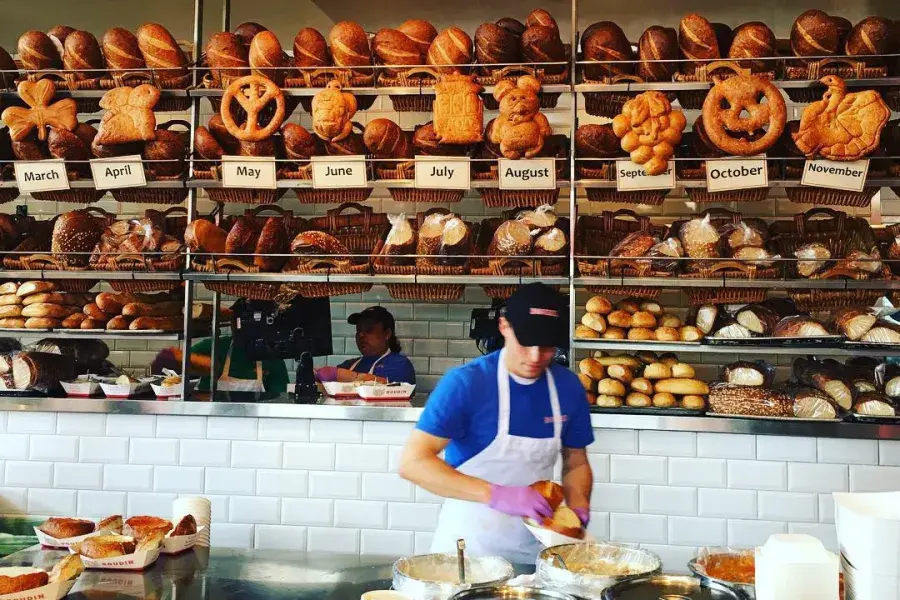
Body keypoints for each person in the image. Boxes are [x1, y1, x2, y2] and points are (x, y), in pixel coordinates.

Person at [398, 283, 594, 564]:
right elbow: (412, 463)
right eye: (526, 342)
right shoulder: (466, 383)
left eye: (548, 346)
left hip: (534, 556)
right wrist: (496, 494)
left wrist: (578, 504)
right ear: (504, 326)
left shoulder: (568, 387)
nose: (536, 356)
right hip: (466, 554)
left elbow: (576, 461)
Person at [151, 299, 289, 395]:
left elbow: (279, 399)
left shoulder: (272, 357)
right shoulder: (212, 347)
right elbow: (162, 363)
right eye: (241, 321)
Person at [315, 306, 416, 384]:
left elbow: (385, 386)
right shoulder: (349, 365)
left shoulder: (399, 364)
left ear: (387, 334)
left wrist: (338, 374)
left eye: (369, 330)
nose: (361, 335)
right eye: (358, 330)